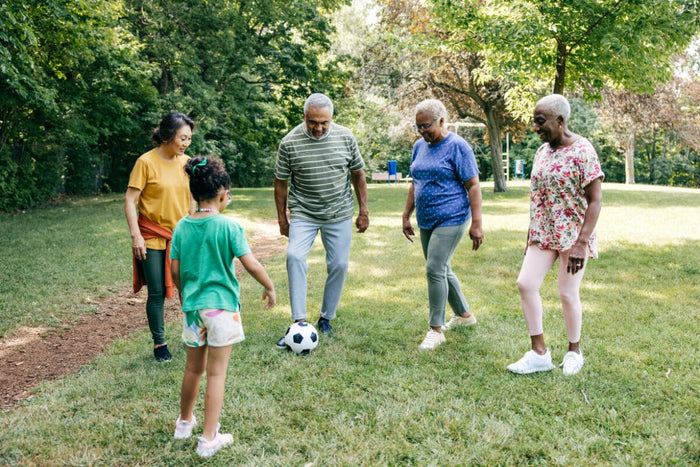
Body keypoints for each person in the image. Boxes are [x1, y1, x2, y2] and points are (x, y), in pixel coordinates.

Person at [170, 155, 276, 457]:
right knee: (216, 374)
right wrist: (269, 286)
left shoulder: (181, 227)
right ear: (221, 194)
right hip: (222, 309)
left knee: (193, 370)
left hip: (193, 308)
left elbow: (175, 270)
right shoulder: (229, 227)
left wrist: (183, 293)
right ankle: (208, 439)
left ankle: (184, 424)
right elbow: (251, 263)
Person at [507, 94, 604, 376]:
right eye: (535, 122)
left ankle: (574, 351)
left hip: (574, 235)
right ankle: (539, 353)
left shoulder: (583, 150)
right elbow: (538, 195)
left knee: (567, 293)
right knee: (525, 283)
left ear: (560, 121)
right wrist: (531, 233)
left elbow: (595, 200)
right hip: (543, 232)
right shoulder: (542, 152)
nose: (535, 128)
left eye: (541, 122)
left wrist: (582, 243)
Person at [273, 93, 369, 347]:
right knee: (294, 256)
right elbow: (280, 182)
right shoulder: (289, 142)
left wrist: (364, 211)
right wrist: (282, 218)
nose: (318, 128)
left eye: (324, 122)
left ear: (331, 119)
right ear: (304, 117)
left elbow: (358, 174)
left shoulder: (345, 136)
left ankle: (326, 317)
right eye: (313, 122)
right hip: (304, 211)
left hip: (338, 211)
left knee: (338, 264)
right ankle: (299, 321)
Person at [402, 99, 484, 350]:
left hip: (452, 217)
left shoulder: (457, 146)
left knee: (434, 268)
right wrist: (406, 214)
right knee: (442, 269)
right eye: (418, 127)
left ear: (441, 121)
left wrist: (477, 224)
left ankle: (435, 329)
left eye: (427, 126)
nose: (423, 131)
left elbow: (473, 185)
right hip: (426, 219)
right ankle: (464, 315)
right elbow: (415, 182)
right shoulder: (420, 147)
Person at [124, 113, 196, 362]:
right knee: (156, 292)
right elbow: (130, 200)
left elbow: (192, 198)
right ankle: (160, 344)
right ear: (167, 136)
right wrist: (136, 236)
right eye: (183, 138)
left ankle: (192, 335)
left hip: (181, 234)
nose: (186, 143)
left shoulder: (187, 163)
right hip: (152, 235)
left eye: (189, 138)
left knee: (187, 289)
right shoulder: (145, 162)